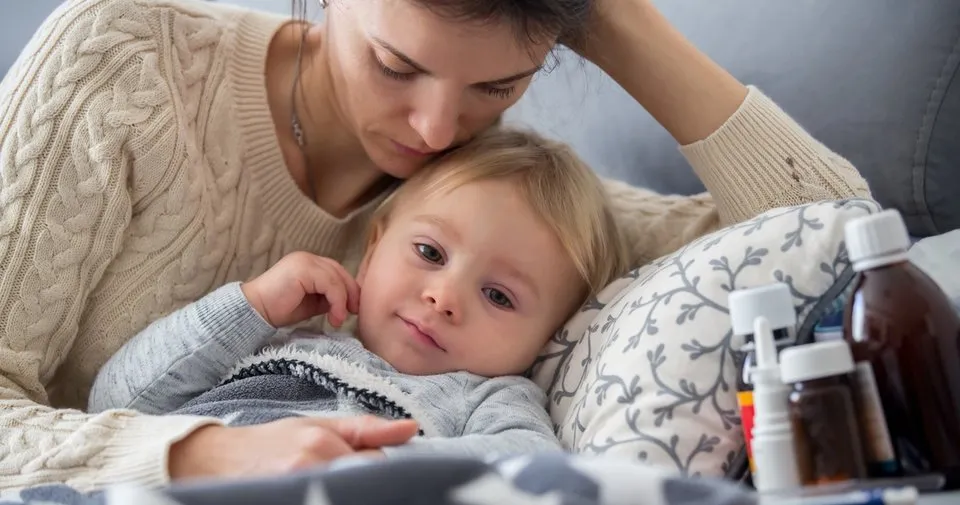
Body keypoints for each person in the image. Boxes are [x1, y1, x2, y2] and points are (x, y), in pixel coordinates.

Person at [0, 0, 871, 493]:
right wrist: (205, 452)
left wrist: (615, 23)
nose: (435, 127)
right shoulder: (125, 61)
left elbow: (835, 243)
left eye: (497, 84)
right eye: (395, 65)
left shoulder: (493, 201)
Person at [86, 126, 629, 465]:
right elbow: (114, 404)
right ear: (372, 251)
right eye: (430, 253)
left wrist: (378, 465)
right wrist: (247, 307)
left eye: (499, 296)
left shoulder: (487, 399)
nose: (443, 297)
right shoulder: (280, 334)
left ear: (547, 338)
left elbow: (527, 469)